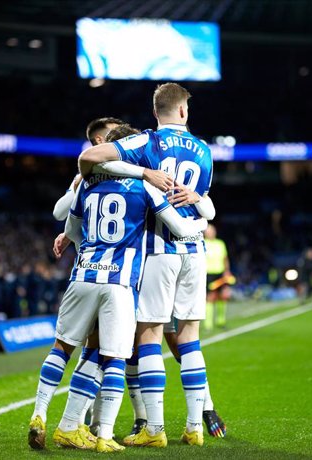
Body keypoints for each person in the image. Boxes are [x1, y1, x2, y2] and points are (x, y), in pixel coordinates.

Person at [28, 161, 206, 452]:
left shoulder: (88, 183)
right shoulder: (143, 186)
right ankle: (104, 435)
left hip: (83, 276)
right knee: (114, 357)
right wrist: (202, 222)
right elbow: (180, 226)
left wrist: (70, 239)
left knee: (62, 347)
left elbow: (71, 228)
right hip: (118, 283)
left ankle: (41, 412)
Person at [79, 82, 218, 447]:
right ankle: (194, 427)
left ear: (155, 113)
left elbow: (95, 157)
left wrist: (138, 172)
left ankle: (153, 429)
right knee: (189, 338)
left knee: (149, 336)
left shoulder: (148, 142)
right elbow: (204, 201)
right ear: (185, 111)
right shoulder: (204, 150)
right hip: (196, 250)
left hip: (159, 250)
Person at [204, 224, 233, 331]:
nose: (210, 233)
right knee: (210, 297)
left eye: (212, 231)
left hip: (220, 273)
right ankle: (208, 325)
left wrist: (227, 271)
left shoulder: (220, 243)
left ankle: (221, 321)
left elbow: (225, 258)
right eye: (208, 231)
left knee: (223, 296)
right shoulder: (203, 243)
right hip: (208, 273)